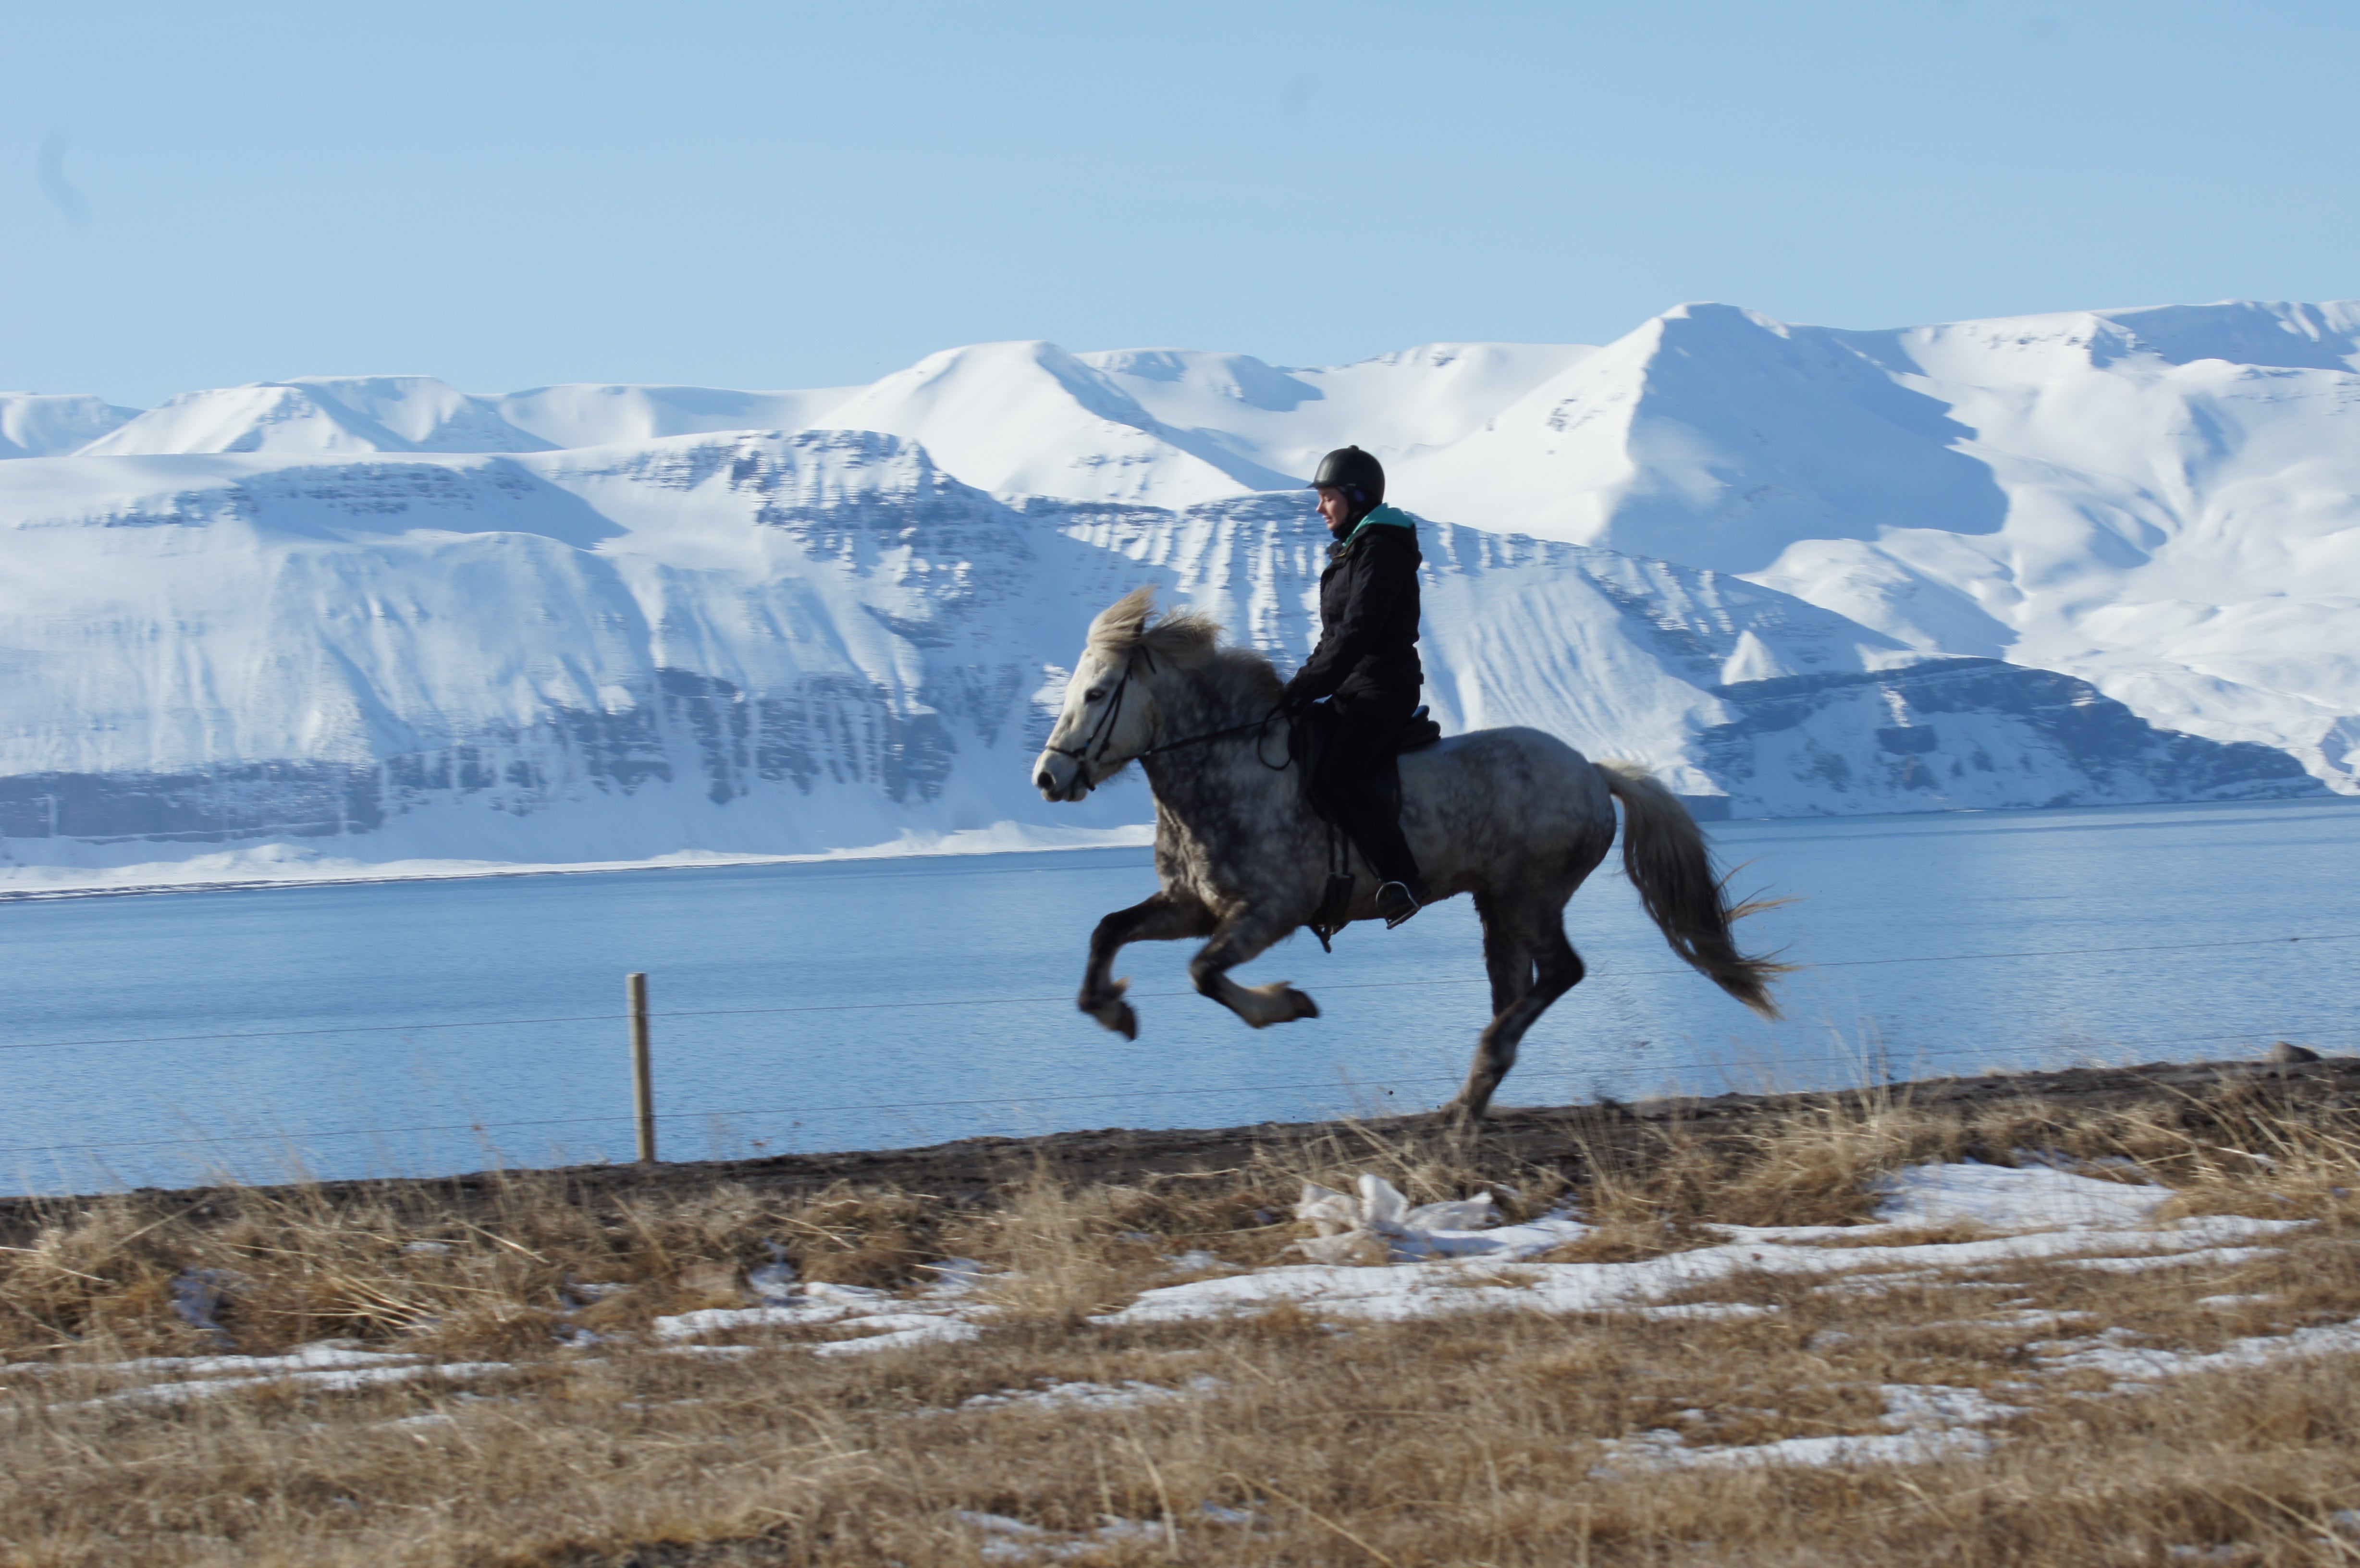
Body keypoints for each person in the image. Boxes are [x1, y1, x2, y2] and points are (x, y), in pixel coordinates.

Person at [1279, 445, 1429, 928]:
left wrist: (1308, 686)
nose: (1320, 508)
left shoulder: (1380, 548)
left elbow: (1357, 633)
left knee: (1338, 774)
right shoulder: (1349, 552)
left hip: (1385, 689)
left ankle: (1404, 880)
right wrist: (1297, 690)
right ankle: (1331, 878)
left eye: (1327, 497)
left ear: (1356, 497)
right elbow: (1331, 639)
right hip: (1351, 689)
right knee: (1294, 748)